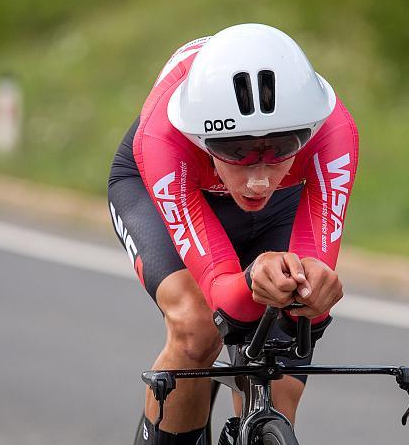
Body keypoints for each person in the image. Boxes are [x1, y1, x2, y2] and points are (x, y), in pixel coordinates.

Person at [108, 23, 359, 445]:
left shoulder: (332, 131)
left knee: (279, 370)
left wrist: (312, 293)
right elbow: (226, 298)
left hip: (283, 205)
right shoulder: (163, 137)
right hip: (175, 185)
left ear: (308, 131)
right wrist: (249, 280)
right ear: (201, 136)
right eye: (236, 151)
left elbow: (313, 277)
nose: (259, 179)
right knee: (197, 326)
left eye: (282, 147)